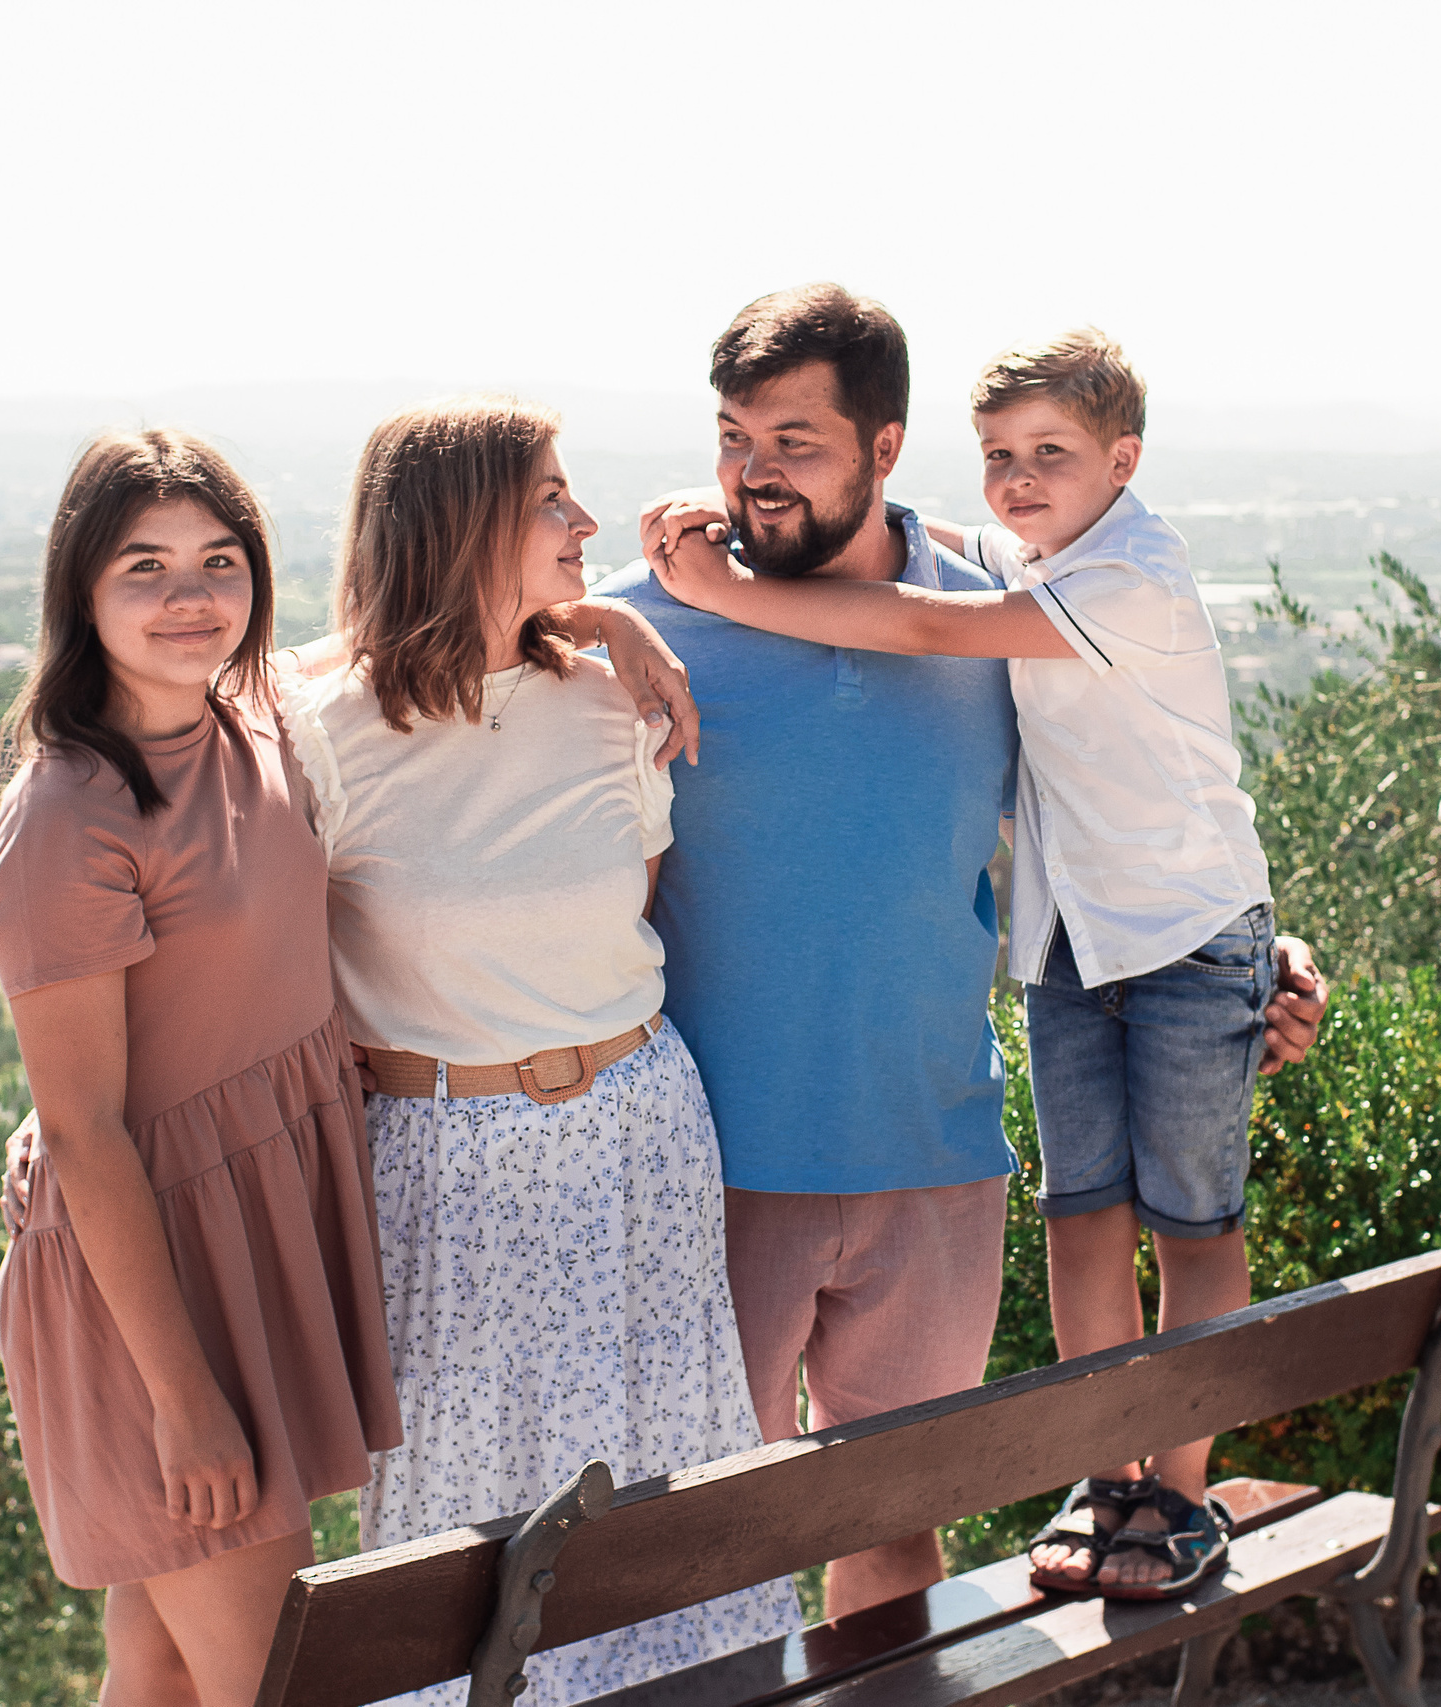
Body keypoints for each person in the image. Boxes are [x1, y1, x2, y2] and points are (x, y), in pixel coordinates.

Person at [594, 286, 1331, 1616]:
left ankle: (1153, 1498)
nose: (755, 473)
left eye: (796, 441)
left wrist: (1240, 955)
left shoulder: (998, 607)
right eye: (734, 438)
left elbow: (1116, 786)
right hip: (712, 1167)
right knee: (699, 1575)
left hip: (933, 1161)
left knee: (895, 1542)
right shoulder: (643, 622)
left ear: (884, 448)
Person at [278, 396, 799, 1700]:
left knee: (669, 1474)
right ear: (457, 525)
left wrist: (605, 626)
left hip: (639, 1132)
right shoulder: (313, 729)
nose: (584, 519)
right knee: (462, 1518)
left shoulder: (610, 702)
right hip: (447, 1170)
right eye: (549, 500)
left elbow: (633, 904)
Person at [0, 429, 402, 1706]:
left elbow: (431, 636)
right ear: (80, 590)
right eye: (143, 568)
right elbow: (85, 1130)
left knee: (156, 1667)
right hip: (154, 1292)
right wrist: (186, 1400)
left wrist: (616, 625)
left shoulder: (254, 717)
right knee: (281, 1681)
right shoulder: (66, 815)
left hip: (254, 1240)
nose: (190, 597)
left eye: (219, 561)